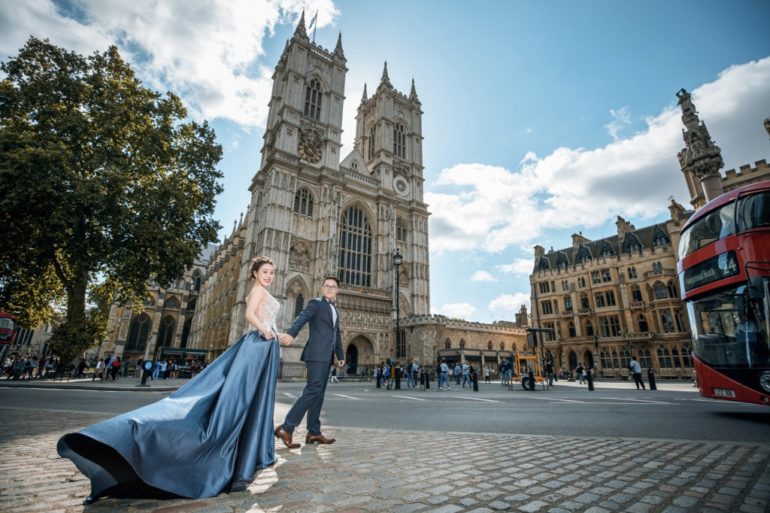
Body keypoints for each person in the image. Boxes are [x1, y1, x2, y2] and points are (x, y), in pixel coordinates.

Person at [57, 255, 292, 504]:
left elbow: (266, 320)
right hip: (257, 346)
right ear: (254, 273)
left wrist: (277, 333)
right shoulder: (256, 290)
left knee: (252, 400)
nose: (269, 275)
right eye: (265, 271)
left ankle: (247, 454)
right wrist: (266, 330)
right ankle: (230, 462)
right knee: (240, 400)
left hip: (265, 347)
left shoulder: (262, 291)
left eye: (272, 272)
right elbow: (250, 315)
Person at [274, 276, 345, 449]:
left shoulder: (335, 309)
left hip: (327, 355)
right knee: (313, 390)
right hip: (316, 354)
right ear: (322, 288)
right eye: (327, 285)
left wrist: (340, 354)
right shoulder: (316, 303)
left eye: (333, 286)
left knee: (318, 394)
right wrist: (291, 333)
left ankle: (314, 431)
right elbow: (302, 317)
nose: (329, 288)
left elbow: (336, 334)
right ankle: (286, 427)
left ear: (337, 290)